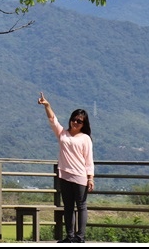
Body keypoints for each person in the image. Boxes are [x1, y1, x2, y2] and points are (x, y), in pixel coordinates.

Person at [38, 92, 94, 243]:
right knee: (68, 207)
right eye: (74, 119)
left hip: (80, 176)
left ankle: (80, 237)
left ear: (84, 124)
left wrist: (90, 178)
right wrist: (47, 105)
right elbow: (52, 120)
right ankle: (70, 236)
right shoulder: (63, 134)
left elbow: (89, 160)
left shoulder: (85, 138)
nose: (75, 122)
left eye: (79, 121)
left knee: (81, 206)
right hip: (64, 174)